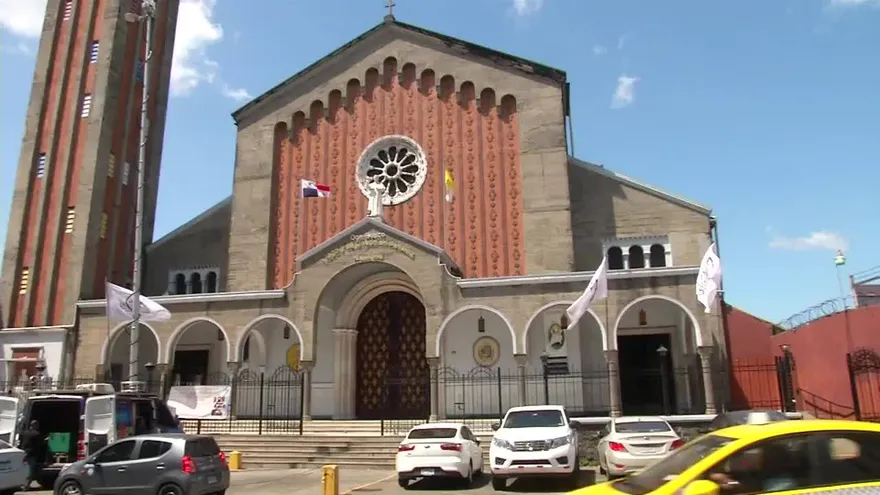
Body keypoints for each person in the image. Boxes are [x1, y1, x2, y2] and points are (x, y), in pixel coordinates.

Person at [18, 420, 45, 491]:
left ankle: (20, 484)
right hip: (32, 454)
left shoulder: (25, 433)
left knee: (23, 469)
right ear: (35, 425)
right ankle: (26, 486)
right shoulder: (36, 434)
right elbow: (40, 444)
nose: (38, 426)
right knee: (30, 471)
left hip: (23, 453)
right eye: (37, 425)